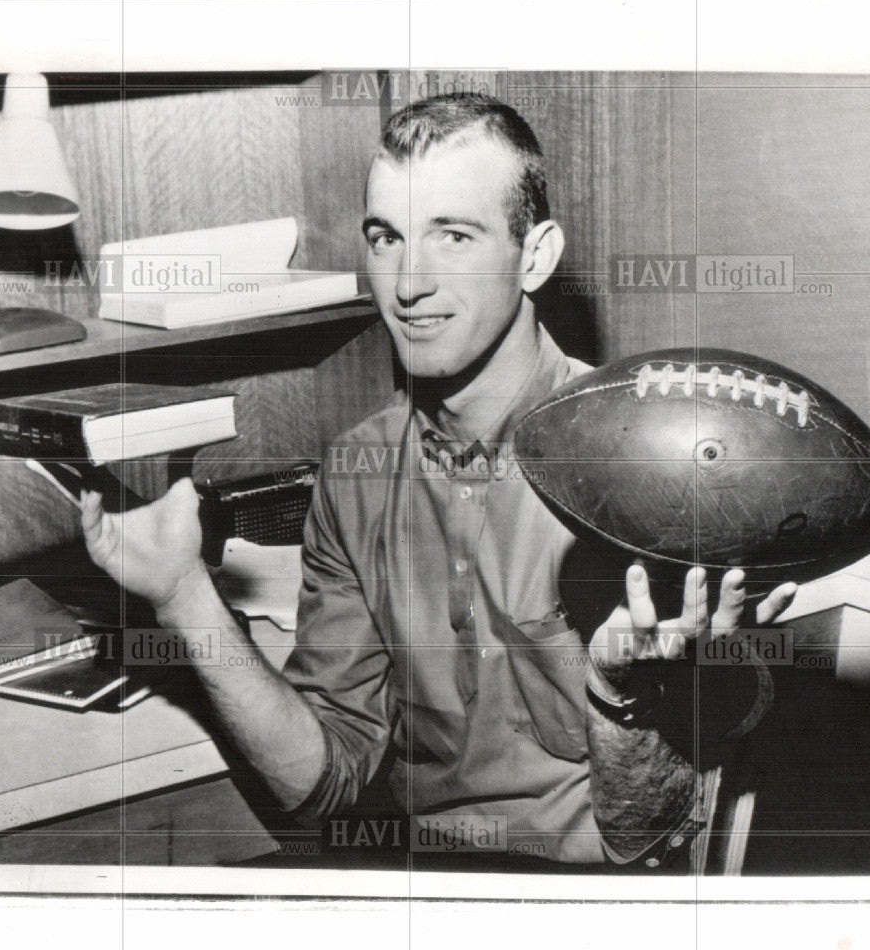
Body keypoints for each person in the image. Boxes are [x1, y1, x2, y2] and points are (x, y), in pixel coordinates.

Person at [81, 94, 797, 869]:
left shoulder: (650, 468)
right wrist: (182, 593)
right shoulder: (357, 474)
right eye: (386, 238)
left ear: (536, 255)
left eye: (453, 235)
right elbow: (324, 782)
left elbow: (649, 836)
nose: (408, 283)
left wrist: (622, 692)